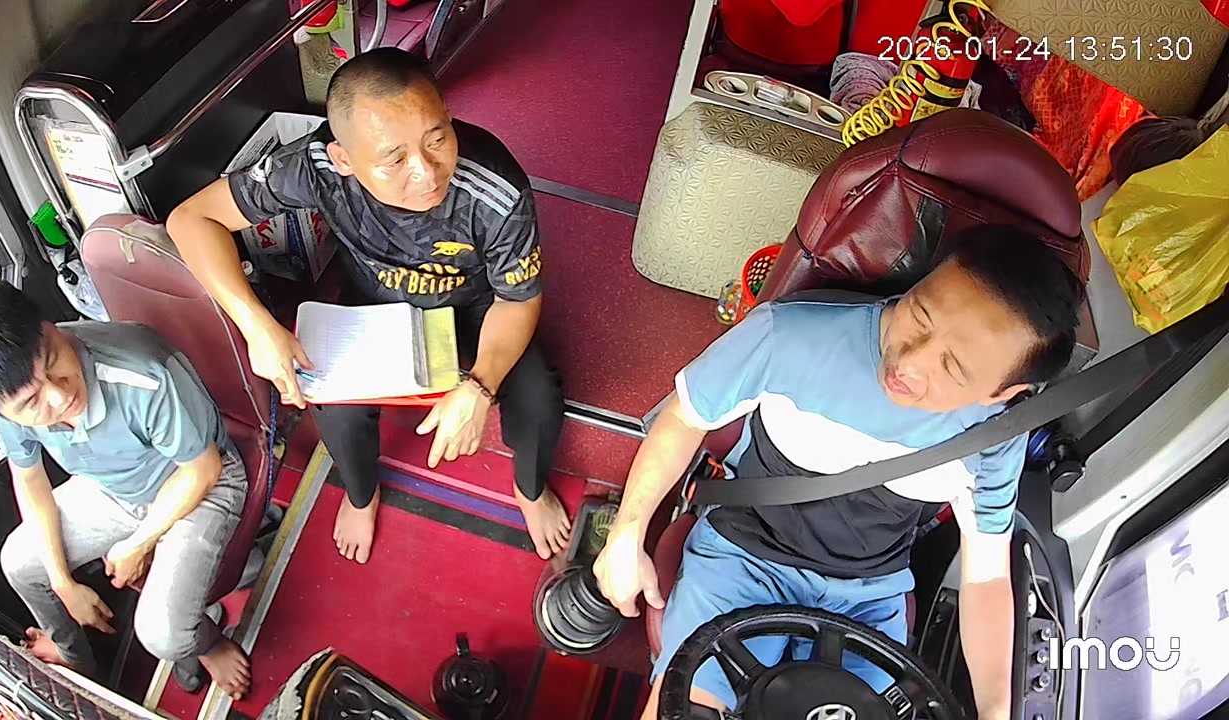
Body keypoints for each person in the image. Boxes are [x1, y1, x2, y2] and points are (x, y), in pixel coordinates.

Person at [593, 226, 1086, 720]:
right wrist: (626, 534)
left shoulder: (995, 434)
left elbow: (987, 576)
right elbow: (685, 418)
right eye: (920, 314)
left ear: (1001, 394)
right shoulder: (790, 335)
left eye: (953, 367)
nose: (909, 362)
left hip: (869, 595)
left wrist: (997, 709)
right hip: (743, 558)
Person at [167, 47, 569, 564]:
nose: (427, 173)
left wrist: (480, 385)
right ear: (344, 160)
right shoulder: (316, 167)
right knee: (334, 408)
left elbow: (517, 301)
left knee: (539, 396)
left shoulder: (494, 190)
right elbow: (191, 220)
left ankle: (529, 490)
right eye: (394, 160)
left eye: (437, 138)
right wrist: (256, 326)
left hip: (474, 308)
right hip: (371, 305)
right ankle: (361, 495)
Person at [0, 279, 252, 699]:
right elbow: (30, 480)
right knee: (20, 563)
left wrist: (138, 544)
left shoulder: (142, 370)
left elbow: (203, 469)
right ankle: (76, 658)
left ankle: (209, 643)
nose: (59, 397)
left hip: (197, 479)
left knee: (162, 634)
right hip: (115, 489)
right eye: (31, 403)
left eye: (52, 360)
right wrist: (63, 583)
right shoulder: (10, 403)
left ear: (48, 326)